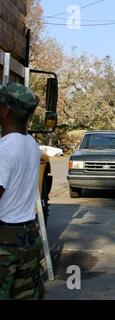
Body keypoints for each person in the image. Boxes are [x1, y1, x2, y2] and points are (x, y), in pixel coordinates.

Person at [0, 83, 43, 300]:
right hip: (28, 235)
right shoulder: (31, 145)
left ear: (5, 110)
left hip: (5, 241)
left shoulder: (4, 148)